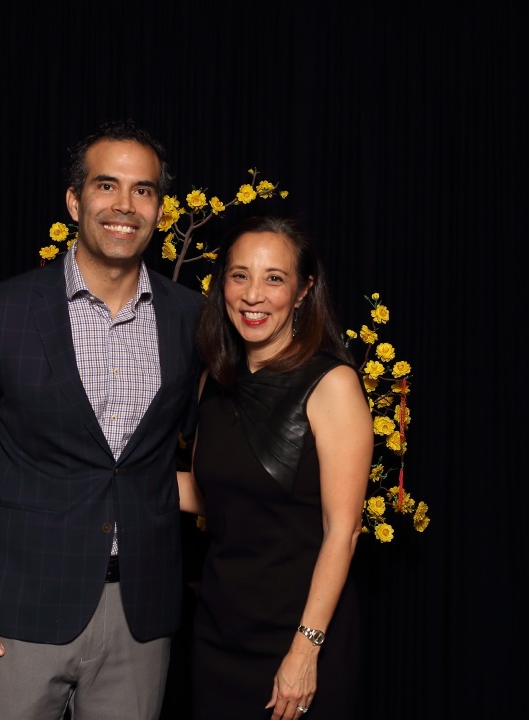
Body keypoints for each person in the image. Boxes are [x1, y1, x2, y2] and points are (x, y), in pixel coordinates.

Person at [0, 119, 203, 720]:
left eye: (143, 190)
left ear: (160, 210)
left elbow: (215, 443)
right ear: (75, 201)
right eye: (107, 185)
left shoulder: (190, 317)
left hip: (141, 614)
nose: (124, 205)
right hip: (16, 609)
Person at [178, 216, 373, 720]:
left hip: (300, 636)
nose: (252, 295)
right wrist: (102, 473)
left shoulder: (332, 384)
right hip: (219, 632)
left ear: (303, 290)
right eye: (239, 275)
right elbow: (209, 493)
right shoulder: (213, 382)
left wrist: (305, 649)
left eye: (274, 278)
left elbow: (343, 530)